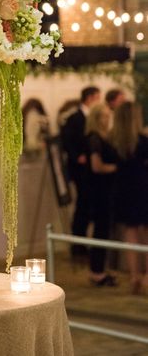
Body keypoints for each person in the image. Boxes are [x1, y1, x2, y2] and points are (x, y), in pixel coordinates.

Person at [111, 101, 148, 294]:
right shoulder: (143, 141)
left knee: (130, 233)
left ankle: (134, 275)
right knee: (146, 234)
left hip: (123, 190)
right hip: (143, 188)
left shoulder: (114, 141)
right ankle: (146, 276)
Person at [60, 86, 101, 253]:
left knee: (88, 203)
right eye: (98, 97)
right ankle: (78, 245)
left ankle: (83, 242)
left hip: (91, 170)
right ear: (90, 98)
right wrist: (78, 156)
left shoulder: (93, 117)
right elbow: (66, 141)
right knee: (82, 204)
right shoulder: (75, 118)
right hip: (80, 169)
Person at [85, 103, 118, 286]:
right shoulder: (94, 138)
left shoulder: (104, 136)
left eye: (108, 116)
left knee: (104, 229)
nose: (108, 119)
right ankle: (96, 272)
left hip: (106, 190)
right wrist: (117, 168)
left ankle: (101, 269)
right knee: (100, 229)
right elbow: (97, 166)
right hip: (99, 191)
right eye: (104, 116)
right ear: (96, 118)